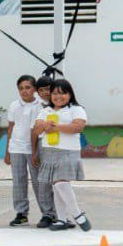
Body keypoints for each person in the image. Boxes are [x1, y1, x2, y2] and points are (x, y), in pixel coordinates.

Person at [33, 78, 91, 232]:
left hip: (68, 151)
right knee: (57, 184)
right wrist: (45, 125)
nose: (58, 97)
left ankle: (78, 214)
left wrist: (56, 127)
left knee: (60, 182)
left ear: (70, 94)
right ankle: (61, 219)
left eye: (62, 93)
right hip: (49, 151)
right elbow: (37, 128)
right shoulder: (45, 111)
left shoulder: (76, 109)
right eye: (54, 93)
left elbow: (77, 127)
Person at [5, 75, 43, 226]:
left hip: (34, 148)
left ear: (34, 89)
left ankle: (48, 213)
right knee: (18, 181)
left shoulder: (41, 105)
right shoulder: (14, 105)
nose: (24, 91)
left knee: (38, 181)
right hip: (16, 148)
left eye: (28, 87)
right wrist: (7, 151)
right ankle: (21, 213)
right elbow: (10, 128)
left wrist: (35, 151)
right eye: (21, 88)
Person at [31, 75, 58, 228]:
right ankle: (47, 214)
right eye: (41, 90)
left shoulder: (62, 104)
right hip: (43, 144)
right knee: (44, 182)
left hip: (60, 145)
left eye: (48, 89)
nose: (45, 92)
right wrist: (34, 151)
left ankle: (61, 215)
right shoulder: (37, 108)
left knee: (59, 181)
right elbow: (34, 131)